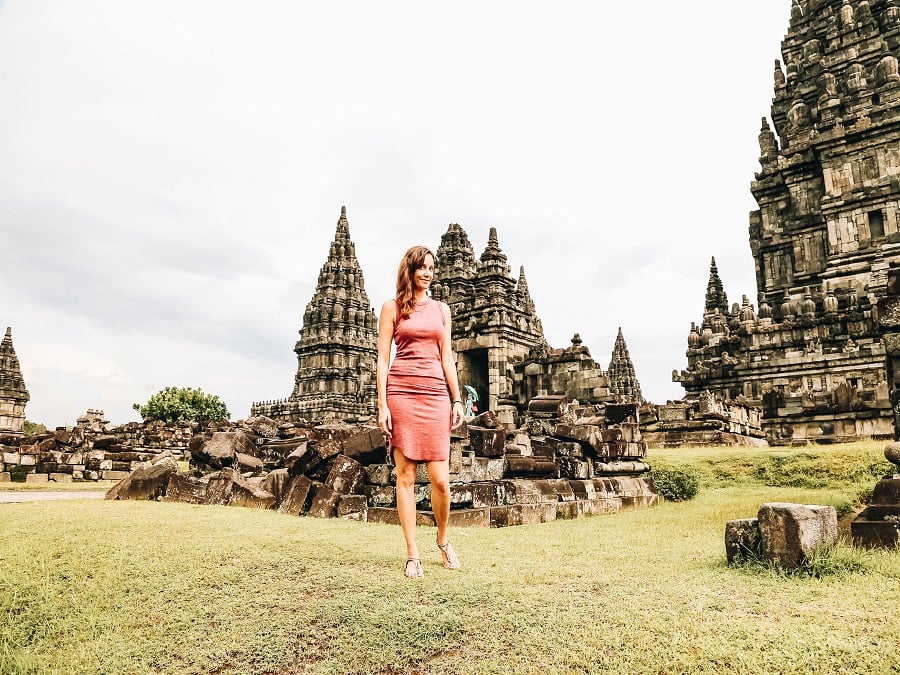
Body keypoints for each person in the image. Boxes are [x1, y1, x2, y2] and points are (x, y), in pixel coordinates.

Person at [377, 245, 464, 578]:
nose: (428, 273)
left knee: (441, 481)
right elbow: (384, 358)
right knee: (407, 476)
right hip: (401, 393)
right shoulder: (391, 308)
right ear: (410, 271)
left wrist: (457, 400)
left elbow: (447, 358)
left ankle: (443, 539)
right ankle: (413, 553)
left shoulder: (442, 310)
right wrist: (382, 403)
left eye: (432, 267)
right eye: (422, 267)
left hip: (435, 394)